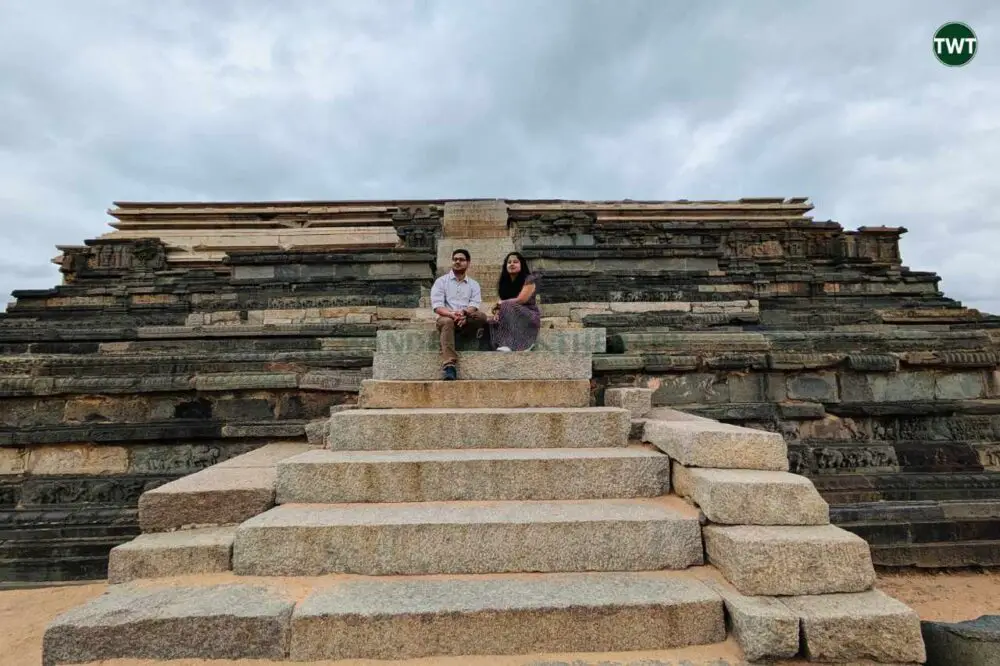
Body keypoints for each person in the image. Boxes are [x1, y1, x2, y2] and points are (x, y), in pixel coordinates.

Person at [430, 248, 488, 380]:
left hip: (465, 318)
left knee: (481, 317)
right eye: (455, 259)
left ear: (468, 263)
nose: (457, 262)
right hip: (446, 318)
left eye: (461, 260)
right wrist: (452, 314)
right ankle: (449, 365)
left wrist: (463, 313)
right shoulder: (441, 282)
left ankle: (464, 332)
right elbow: (437, 306)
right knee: (447, 321)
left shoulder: (474, 284)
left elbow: (474, 304)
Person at [489, 251, 541, 352]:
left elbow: (521, 300)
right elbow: (505, 304)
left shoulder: (530, 279)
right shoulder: (504, 282)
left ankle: (517, 344)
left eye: (515, 262)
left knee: (507, 305)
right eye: (509, 262)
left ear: (522, 264)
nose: (512, 264)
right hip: (511, 313)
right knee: (491, 321)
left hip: (529, 315)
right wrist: (497, 313)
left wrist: (501, 304)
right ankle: (499, 344)